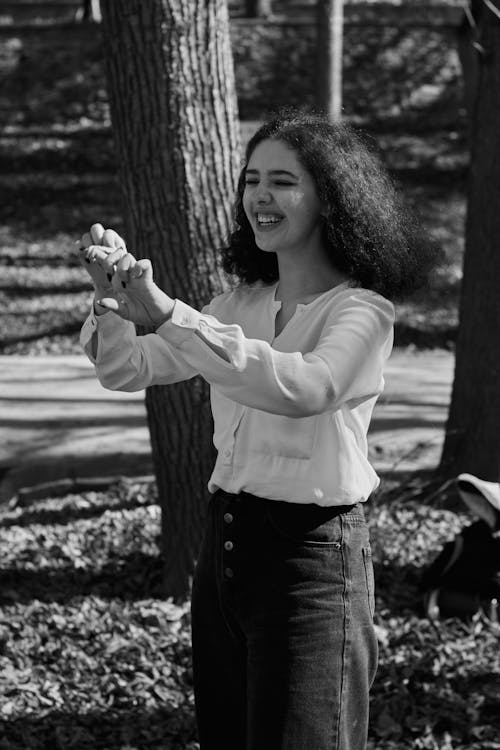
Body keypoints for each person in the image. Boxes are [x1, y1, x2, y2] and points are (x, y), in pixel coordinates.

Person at [78, 110, 433, 750]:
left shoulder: (362, 312)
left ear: (331, 197)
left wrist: (170, 314)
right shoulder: (236, 307)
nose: (260, 197)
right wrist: (114, 308)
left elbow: (304, 388)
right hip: (227, 549)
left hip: (313, 563)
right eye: (251, 181)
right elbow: (127, 368)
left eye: (283, 182)